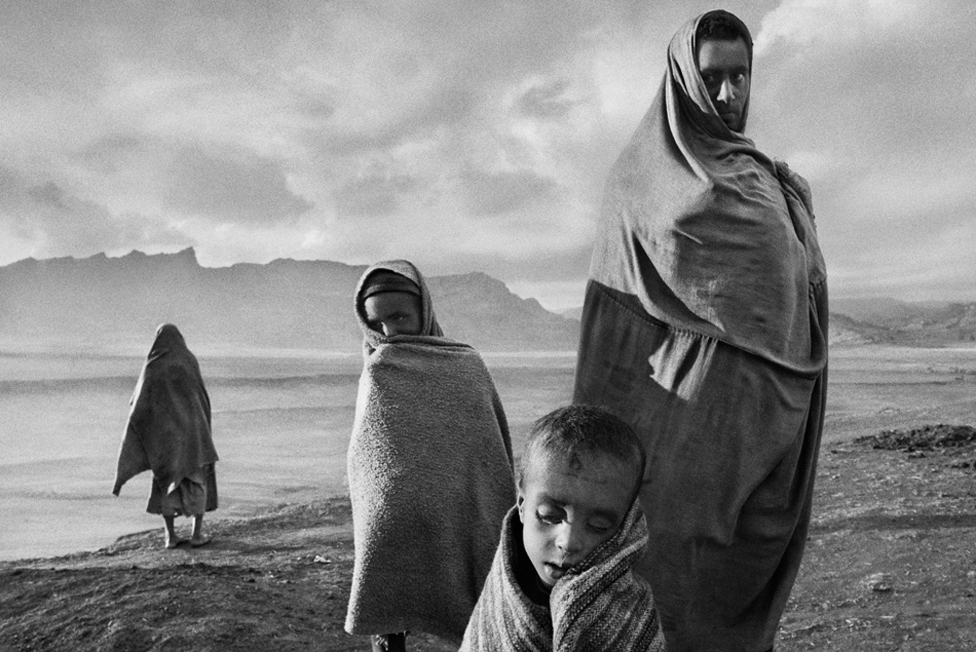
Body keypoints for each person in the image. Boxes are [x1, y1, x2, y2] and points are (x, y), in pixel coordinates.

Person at [573, 9, 828, 652]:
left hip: (768, 425)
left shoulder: (767, 179)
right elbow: (614, 326)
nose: (727, 93)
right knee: (663, 579)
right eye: (711, 77)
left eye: (740, 76)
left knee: (740, 582)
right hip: (675, 433)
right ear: (683, 77)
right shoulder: (639, 180)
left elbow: (798, 291)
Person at [344, 260, 516, 652]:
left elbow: (485, 449)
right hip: (391, 519)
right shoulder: (376, 368)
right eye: (377, 322)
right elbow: (366, 453)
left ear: (424, 309)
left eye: (399, 317)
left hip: (457, 509)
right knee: (389, 613)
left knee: (475, 613)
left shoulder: (466, 365)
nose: (390, 332)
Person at [460, 405, 665, 651]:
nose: (568, 542)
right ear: (522, 505)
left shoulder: (631, 616)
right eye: (549, 516)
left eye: (598, 526)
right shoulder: (504, 583)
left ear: (624, 528)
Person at [113, 323, 218, 549]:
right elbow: (200, 397)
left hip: (165, 437)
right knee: (197, 481)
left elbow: (138, 403)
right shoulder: (188, 360)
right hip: (192, 434)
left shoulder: (153, 364)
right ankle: (196, 535)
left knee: (166, 481)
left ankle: (170, 536)